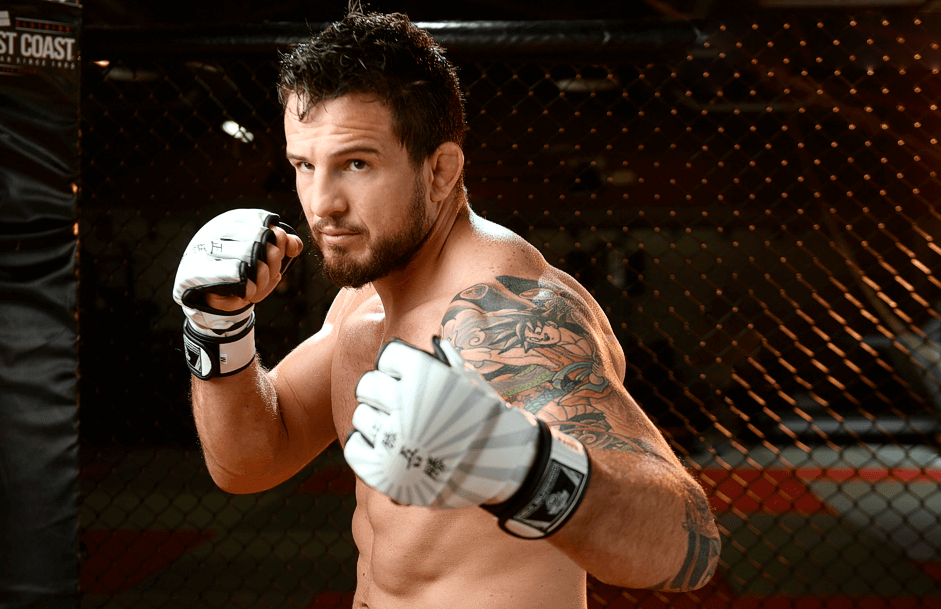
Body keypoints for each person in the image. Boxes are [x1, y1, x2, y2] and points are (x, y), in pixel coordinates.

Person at [172, 9, 720, 608]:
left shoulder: (508, 316)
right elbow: (249, 464)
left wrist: (518, 465)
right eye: (305, 165)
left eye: (356, 163)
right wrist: (218, 328)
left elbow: (686, 545)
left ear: (440, 171)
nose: (322, 203)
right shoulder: (363, 300)